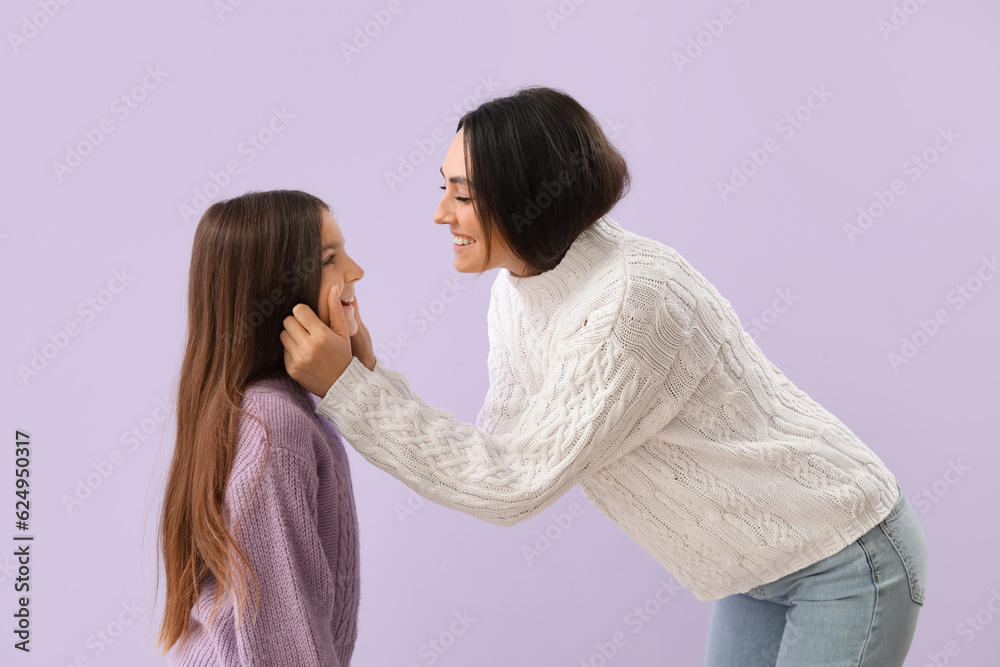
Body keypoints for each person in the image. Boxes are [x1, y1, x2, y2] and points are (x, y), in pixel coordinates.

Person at [279, 87, 928, 665]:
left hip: (845, 553)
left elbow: (511, 486)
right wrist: (368, 379)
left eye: (463, 194)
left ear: (525, 199)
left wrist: (351, 392)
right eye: (443, 186)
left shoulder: (628, 303)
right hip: (755, 563)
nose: (441, 213)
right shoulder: (520, 288)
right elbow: (502, 450)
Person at [157, 190, 363, 666]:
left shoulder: (268, 409)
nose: (355, 271)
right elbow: (284, 647)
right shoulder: (275, 425)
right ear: (277, 290)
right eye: (331, 259)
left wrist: (359, 382)